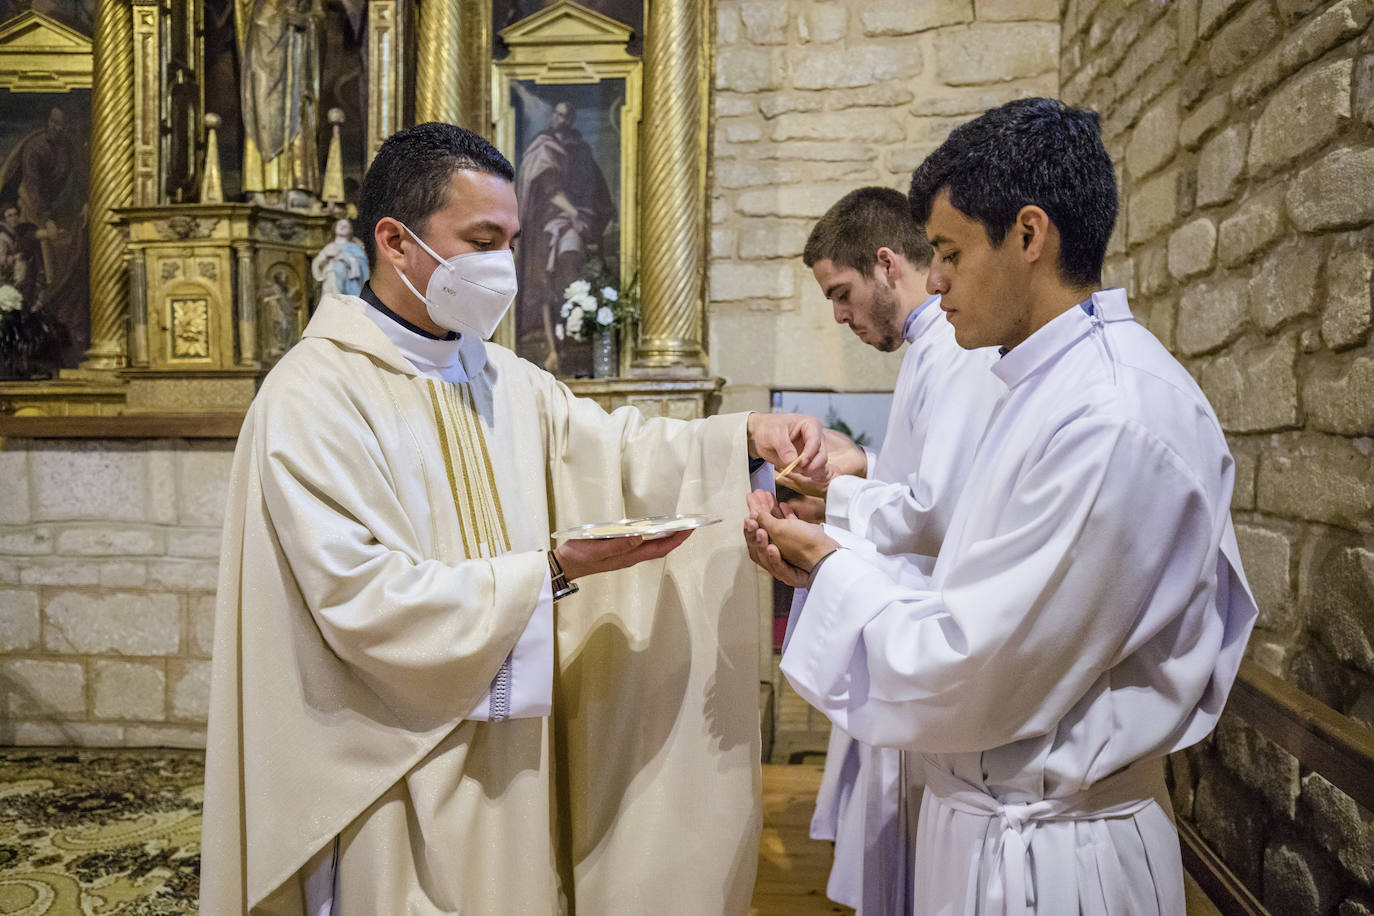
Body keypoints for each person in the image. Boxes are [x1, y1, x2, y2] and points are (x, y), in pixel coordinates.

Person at [201, 122, 825, 915]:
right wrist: (551, 571)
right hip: (396, 761)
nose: (506, 264)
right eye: (483, 237)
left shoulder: (495, 372)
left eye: (512, 238)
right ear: (395, 240)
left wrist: (742, 436)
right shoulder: (314, 396)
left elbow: (612, 448)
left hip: (512, 740)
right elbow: (355, 596)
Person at [746, 98, 1258, 915]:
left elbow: (974, 663)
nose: (933, 278)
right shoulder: (1040, 384)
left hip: (1053, 861)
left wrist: (827, 563)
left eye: (947, 252)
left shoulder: (1111, 419)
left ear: (1028, 235)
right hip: (1000, 821)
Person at [785, 187, 1002, 915]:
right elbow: (923, 479)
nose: (840, 317)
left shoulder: (954, 351)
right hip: (906, 616)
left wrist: (829, 509)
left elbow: (939, 513)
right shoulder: (929, 348)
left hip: (931, 629)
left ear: (884, 263)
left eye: (841, 295)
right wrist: (862, 467)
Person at [514, 99, 615, 373]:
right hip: (549, 224)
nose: (561, 120)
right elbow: (548, 187)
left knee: (570, 272)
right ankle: (551, 346)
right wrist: (573, 215)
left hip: (574, 220)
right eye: (557, 114)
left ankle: (570, 343)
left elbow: (598, 189)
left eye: (566, 116)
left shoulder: (579, 149)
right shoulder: (544, 147)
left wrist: (599, 216)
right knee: (552, 280)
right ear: (552, 116)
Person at [310, 217, 369, 298]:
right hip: (329, 282)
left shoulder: (354, 247)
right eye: (340, 224)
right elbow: (317, 266)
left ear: (350, 230)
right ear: (335, 228)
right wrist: (324, 259)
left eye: (346, 226)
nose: (342, 226)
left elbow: (362, 267)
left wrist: (344, 257)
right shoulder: (328, 247)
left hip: (347, 285)